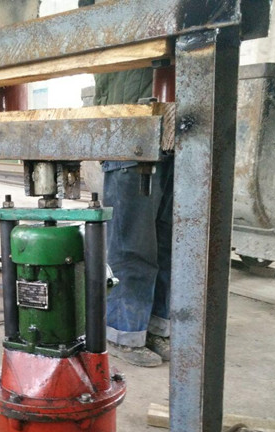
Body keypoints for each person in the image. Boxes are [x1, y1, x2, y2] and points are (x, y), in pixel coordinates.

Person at [94, 68, 174, 367]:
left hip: (177, 136)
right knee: (132, 248)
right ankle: (123, 334)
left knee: (168, 245)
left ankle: (155, 328)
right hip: (132, 134)